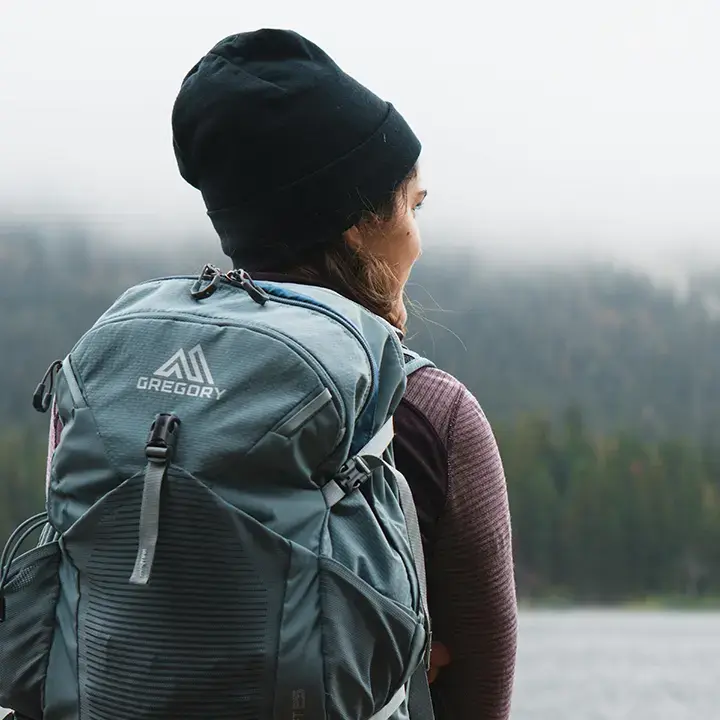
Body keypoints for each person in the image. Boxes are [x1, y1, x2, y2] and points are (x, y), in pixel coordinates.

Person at [173, 27, 518, 719]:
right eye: (412, 206)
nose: (419, 235)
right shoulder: (426, 412)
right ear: (358, 224)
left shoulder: (126, 377)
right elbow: (479, 690)